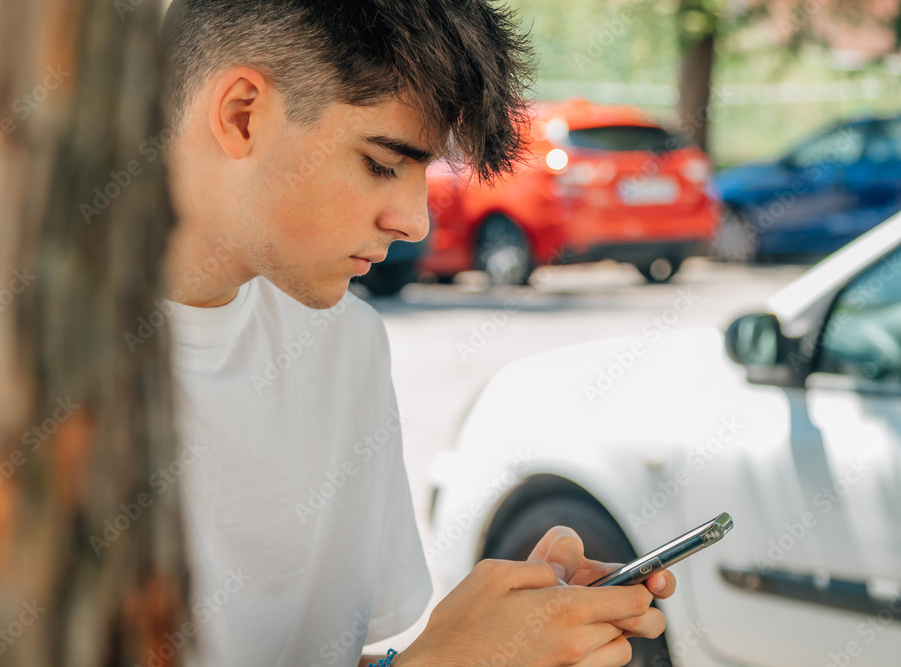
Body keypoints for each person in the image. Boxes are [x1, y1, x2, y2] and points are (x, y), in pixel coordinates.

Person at [159, 1, 676, 665]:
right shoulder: (13, 368)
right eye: (382, 162)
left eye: (425, 170)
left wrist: (499, 642)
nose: (415, 222)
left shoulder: (344, 345)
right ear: (242, 114)